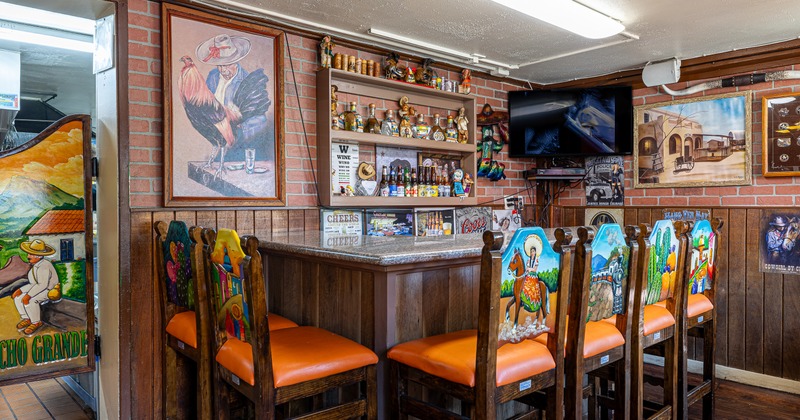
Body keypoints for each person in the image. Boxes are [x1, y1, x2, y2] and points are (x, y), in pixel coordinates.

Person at [198, 34, 270, 163]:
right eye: (219, 65)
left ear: (236, 62)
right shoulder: (213, 76)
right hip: (218, 136)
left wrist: (240, 126)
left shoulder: (247, 83)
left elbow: (259, 118)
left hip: (237, 144)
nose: (222, 70)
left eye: (226, 65)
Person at [13, 239, 59, 336]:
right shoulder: (35, 266)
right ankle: (26, 318)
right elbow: (33, 284)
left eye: (31, 254)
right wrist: (21, 290)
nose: (28, 256)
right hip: (40, 288)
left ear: (38, 256)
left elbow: (42, 285)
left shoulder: (45, 266)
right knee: (18, 297)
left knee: (31, 300)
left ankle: (36, 322)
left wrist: (29, 295)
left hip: (49, 290)